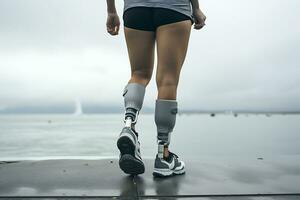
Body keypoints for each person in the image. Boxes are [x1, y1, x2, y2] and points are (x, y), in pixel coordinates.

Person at [106, 0, 206, 177]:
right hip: (174, 8)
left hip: (136, 8)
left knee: (139, 73)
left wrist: (111, 11)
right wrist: (196, 8)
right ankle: (163, 155)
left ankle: (129, 127)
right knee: (168, 80)